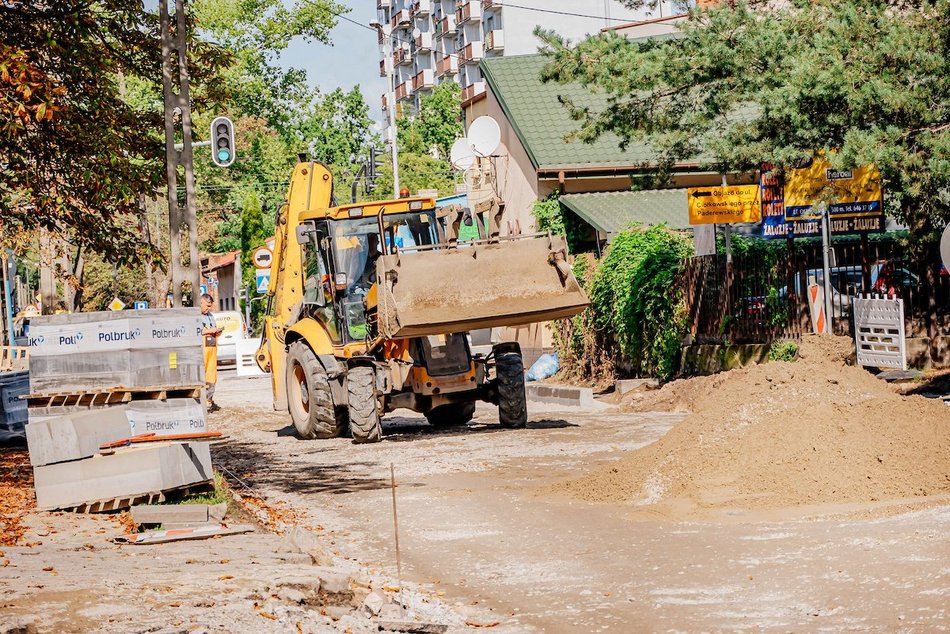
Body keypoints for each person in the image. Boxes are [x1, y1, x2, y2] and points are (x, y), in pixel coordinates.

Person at [200, 293, 223, 412]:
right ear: (201, 303)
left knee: (212, 376)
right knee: (202, 376)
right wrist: (210, 330)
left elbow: (213, 328)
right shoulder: (195, 316)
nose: (209, 308)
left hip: (212, 350)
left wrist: (217, 331)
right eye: (207, 306)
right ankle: (202, 402)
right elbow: (197, 331)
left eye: (210, 306)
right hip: (202, 351)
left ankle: (209, 400)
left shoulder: (210, 316)